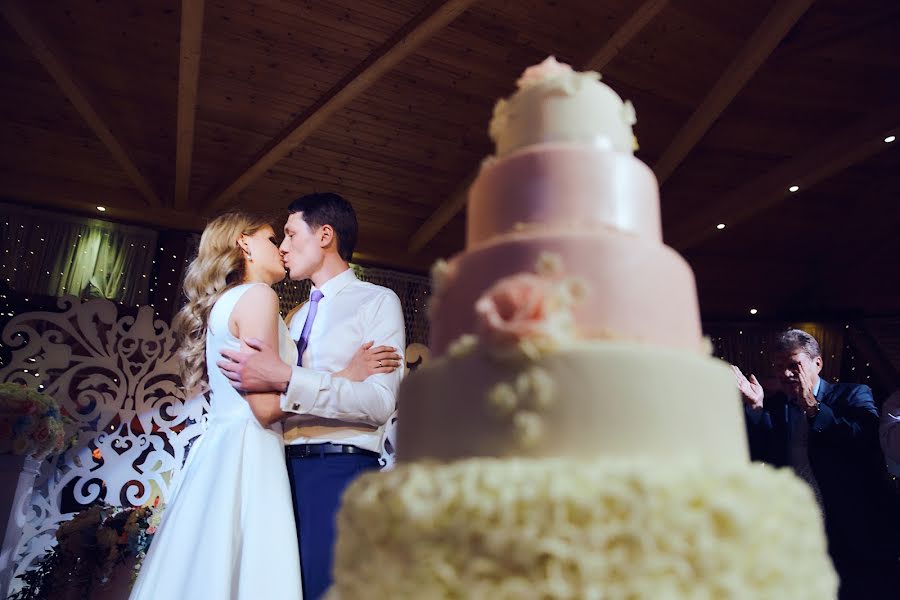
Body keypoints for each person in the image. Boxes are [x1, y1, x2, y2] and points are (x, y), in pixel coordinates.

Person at [130, 212, 389, 600]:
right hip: (251, 451)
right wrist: (346, 376)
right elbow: (266, 409)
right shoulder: (259, 296)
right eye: (273, 238)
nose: (281, 249)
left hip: (223, 451)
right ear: (245, 244)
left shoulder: (228, 302)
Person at [218, 193, 405, 599]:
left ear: (324, 235)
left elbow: (377, 404)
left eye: (288, 233)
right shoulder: (295, 316)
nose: (282, 248)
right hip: (279, 472)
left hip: (340, 472)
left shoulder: (377, 302)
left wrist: (287, 376)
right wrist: (337, 377)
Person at [732, 329, 897, 600]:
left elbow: (863, 441)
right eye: (779, 366)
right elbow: (761, 455)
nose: (785, 374)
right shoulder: (776, 406)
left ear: (817, 363)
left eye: (793, 364)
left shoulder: (853, 394)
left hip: (852, 531)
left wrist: (813, 407)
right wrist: (756, 408)